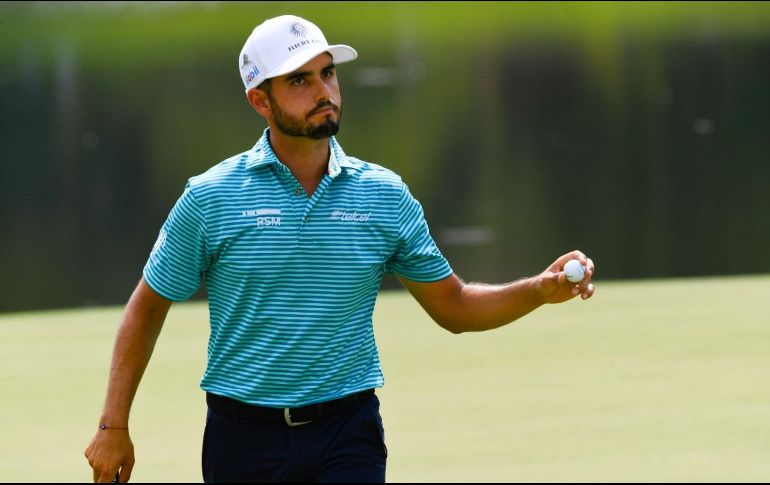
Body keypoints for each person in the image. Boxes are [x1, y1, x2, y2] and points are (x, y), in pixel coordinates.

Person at [84, 14, 595, 483]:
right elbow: (148, 308)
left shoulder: (383, 195)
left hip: (347, 431)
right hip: (242, 439)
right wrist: (113, 426)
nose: (323, 91)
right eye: (299, 81)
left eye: (327, 73)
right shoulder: (211, 198)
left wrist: (538, 291)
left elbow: (455, 306)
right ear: (260, 100)